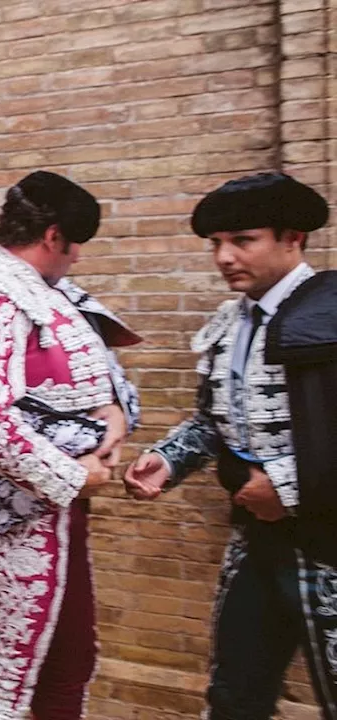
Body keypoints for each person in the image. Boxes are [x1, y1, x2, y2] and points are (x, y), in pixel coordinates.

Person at [124, 172, 335, 720]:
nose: (223, 257)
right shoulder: (228, 322)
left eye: (243, 240)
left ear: (293, 238)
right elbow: (217, 424)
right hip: (256, 540)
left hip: (329, 537)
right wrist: (168, 458)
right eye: (217, 243)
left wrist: (286, 486)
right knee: (234, 695)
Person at [0, 171, 142, 720]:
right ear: (53, 237)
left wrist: (116, 414)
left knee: (71, 660)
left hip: (61, 513)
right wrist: (77, 477)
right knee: (5, 683)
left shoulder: (45, 290)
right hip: (23, 515)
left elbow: (103, 372)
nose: (76, 261)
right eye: (74, 249)